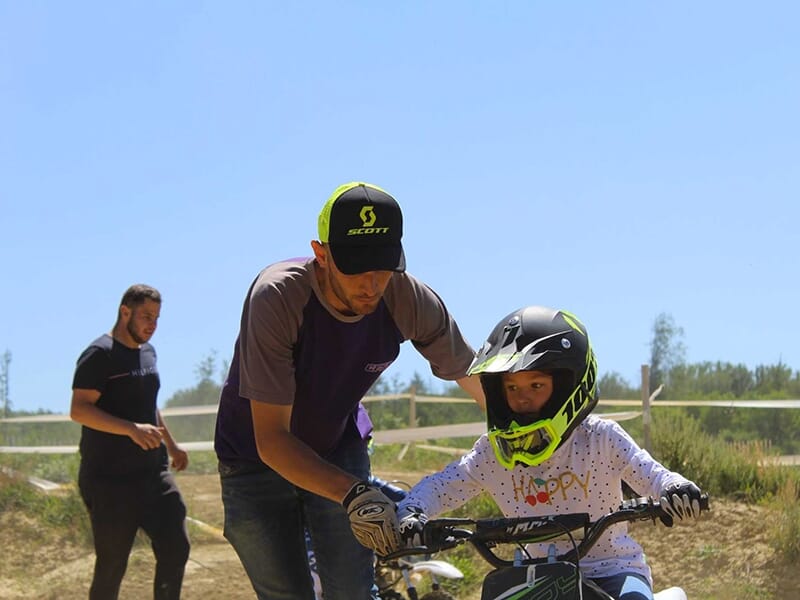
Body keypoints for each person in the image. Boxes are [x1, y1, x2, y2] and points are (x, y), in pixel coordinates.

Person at [213, 181, 485, 600]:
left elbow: (472, 375)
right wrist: (354, 493)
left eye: (383, 267)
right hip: (252, 458)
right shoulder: (278, 298)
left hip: (337, 444)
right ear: (321, 254)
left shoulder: (406, 297)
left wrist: (537, 432)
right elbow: (271, 440)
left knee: (352, 594)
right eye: (356, 267)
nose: (371, 284)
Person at [396, 306, 705, 600]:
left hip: (613, 570)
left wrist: (673, 488)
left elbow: (648, 471)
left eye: (536, 385)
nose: (523, 399)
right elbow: (446, 483)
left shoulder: (600, 438)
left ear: (567, 386)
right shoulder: (492, 453)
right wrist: (412, 511)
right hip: (534, 577)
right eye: (512, 388)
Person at [70, 284, 190, 600]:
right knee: (112, 566)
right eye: (146, 316)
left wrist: (172, 445)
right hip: (109, 481)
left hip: (154, 474)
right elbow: (79, 409)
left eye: (157, 317)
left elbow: (148, 404)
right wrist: (130, 429)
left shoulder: (148, 352)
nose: (152, 324)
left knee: (176, 548)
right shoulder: (100, 355)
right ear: (125, 312)